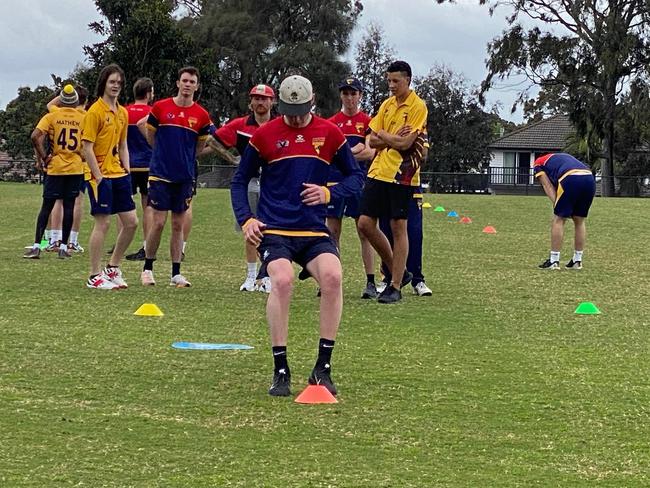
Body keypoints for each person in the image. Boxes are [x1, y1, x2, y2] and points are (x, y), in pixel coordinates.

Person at [231, 74, 364, 397]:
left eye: (300, 111)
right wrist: (246, 219)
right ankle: (281, 368)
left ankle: (323, 367)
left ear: (312, 102)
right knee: (282, 280)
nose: (294, 118)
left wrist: (328, 193)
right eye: (288, 111)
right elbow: (239, 181)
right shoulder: (263, 136)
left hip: (313, 229)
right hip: (275, 230)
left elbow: (356, 177)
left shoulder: (330, 133)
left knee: (333, 277)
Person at [357, 60, 428, 303]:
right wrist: (390, 138)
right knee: (365, 224)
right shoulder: (386, 105)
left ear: (408, 79)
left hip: (402, 174)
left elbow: (406, 144)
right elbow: (372, 141)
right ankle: (399, 269)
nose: (391, 85)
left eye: (395, 81)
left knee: (399, 227)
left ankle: (395, 285)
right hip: (377, 171)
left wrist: (385, 137)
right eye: (389, 81)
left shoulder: (418, 106)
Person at [141, 66, 211, 287]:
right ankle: (147, 268)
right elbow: (150, 135)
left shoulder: (202, 115)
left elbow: (199, 147)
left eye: (192, 82)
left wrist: (184, 158)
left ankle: (175, 273)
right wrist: (163, 155)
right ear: (178, 83)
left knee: (178, 225)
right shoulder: (161, 107)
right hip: (161, 173)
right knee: (159, 222)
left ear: (196, 86)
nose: (188, 85)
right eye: (185, 80)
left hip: (184, 176)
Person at [205, 83, 276, 292]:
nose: (260, 102)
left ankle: (268, 275)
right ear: (251, 101)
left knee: (274, 229)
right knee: (251, 228)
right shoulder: (240, 125)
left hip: (275, 184)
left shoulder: (280, 124)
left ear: (272, 102)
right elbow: (213, 139)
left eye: (264, 98)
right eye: (256, 98)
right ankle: (251, 275)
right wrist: (232, 158)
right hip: (250, 183)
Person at [81, 63, 138, 290]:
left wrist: (127, 169)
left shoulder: (122, 112)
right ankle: (94, 276)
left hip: (118, 174)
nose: (116, 86)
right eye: (112, 81)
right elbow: (87, 147)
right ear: (104, 83)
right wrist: (99, 176)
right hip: (99, 175)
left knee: (132, 222)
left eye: (119, 83)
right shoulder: (94, 111)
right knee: (103, 223)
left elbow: (123, 144)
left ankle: (112, 267)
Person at [326, 77, 377, 299]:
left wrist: (344, 154)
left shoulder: (368, 121)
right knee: (332, 233)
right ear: (340, 96)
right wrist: (352, 150)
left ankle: (371, 281)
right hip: (334, 183)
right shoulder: (330, 123)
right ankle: (330, 280)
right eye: (345, 93)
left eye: (353, 93)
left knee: (364, 231)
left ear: (360, 96)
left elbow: (369, 152)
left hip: (359, 183)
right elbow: (327, 155)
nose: (349, 98)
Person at [24, 85, 85, 260]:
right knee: (69, 206)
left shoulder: (52, 115)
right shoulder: (83, 117)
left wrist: (44, 157)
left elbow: (35, 136)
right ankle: (64, 247)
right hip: (75, 167)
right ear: (76, 101)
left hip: (55, 167)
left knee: (47, 206)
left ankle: (37, 246)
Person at [534, 152, 596, 269]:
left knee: (559, 219)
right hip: (589, 177)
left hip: (571, 178)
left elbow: (547, 186)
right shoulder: (561, 158)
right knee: (579, 220)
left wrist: (558, 206)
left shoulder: (538, 163)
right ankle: (577, 260)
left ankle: (554, 261)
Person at [378, 187, 433, 296]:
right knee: (386, 233)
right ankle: (388, 278)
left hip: (410, 187)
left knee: (414, 234)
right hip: (385, 184)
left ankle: (417, 280)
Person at [124, 77, 155, 261]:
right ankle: (147, 246)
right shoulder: (152, 113)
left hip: (127, 165)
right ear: (149, 92)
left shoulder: (124, 112)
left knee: (124, 206)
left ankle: (121, 243)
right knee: (148, 207)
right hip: (149, 165)